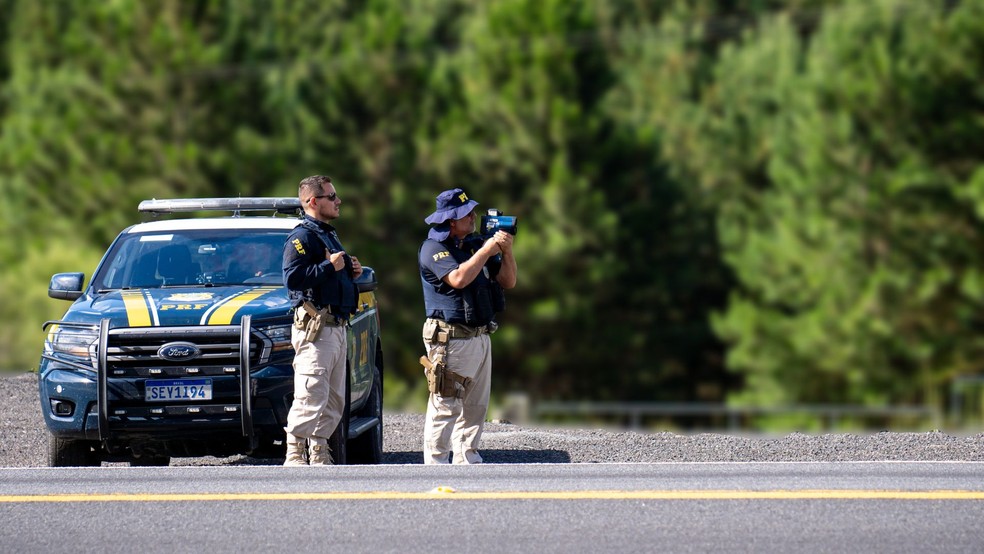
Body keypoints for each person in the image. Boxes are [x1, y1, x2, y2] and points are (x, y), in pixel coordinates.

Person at [418, 188, 517, 464]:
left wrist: (506, 253)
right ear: (451, 220)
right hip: (450, 338)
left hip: (480, 335)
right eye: (466, 214)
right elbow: (458, 279)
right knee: (446, 405)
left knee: (475, 407)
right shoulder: (433, 249)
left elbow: (508, 282)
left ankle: (467, 460)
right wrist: (486, 251)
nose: (474, 217)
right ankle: (435, 465)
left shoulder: (474, 245)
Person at [281, 175, 362, 466]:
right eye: (332, 196)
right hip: (316, 329)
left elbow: (329, 277)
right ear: (313, 202)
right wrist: (330, 266)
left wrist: (349, 272)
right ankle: (294, 451)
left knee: (334, 400)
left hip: (336, 327)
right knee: (311, 392)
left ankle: (318, 450)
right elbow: (292, 278)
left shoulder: (328, 234)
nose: (338, 201)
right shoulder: (302, 237)